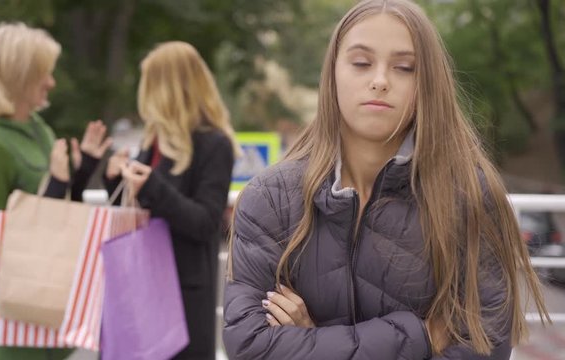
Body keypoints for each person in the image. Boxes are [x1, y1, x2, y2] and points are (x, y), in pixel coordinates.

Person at [223, 0, 550, 359]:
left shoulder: (471, 196)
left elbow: (483, 348)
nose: (379, 81)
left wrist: (314, 342)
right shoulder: (268, 198)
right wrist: (422, 334)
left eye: (405, 67)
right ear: (332, 72)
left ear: (428, 82)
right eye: (361, 63)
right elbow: (251, 346)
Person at [0, 22, 111, 360]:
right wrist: (58, 183)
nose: (51, 82)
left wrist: (82, 173)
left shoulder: (39, 130)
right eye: (42, 74)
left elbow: (57, 213)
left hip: (50, 307)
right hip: (20, 322)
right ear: (18, 77)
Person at [103, 41, 240, 359]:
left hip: (180, 297)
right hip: (140, 285)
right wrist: (115, 179)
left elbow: (206, 222)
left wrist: (151, 185)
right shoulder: (152, 139)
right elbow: (139, 212)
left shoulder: (214, 145)